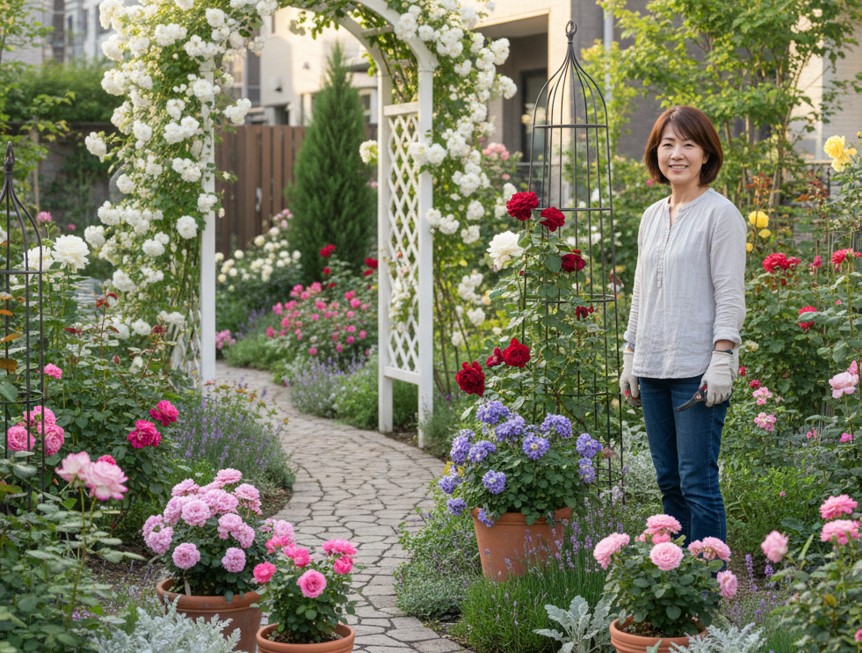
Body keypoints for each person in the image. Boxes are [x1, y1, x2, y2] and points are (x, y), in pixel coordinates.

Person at [618, 105, 746, 545]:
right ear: (656, 153)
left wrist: (722, 357)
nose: (677, 154)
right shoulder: (652, 216)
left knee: (698, 483)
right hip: (652, 368)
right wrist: (630, 356)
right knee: (669, 483)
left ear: (706, 155)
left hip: (697, 370)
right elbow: (640, 292)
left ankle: (709, 586)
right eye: (667, 144)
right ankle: (677, 584)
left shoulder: (720, 215)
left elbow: (730, 294)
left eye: (688, 145)